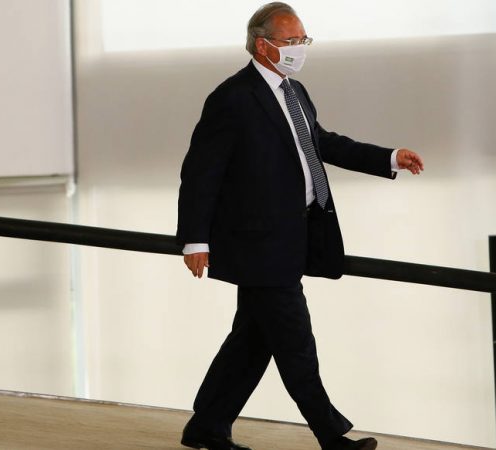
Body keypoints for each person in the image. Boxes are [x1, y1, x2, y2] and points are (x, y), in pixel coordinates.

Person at [176, 3, 424, 450]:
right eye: (291, 41)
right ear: (262, 45)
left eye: (302, 40)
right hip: (258, 246)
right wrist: (195, 239)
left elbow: (320, 143)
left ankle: (207, 427)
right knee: (296, 344)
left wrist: (388, 158)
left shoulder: (295, 91)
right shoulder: (232, 97)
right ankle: (333, 437)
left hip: (295, 237)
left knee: (252, 342)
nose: (299, 49)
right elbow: (200, 173)